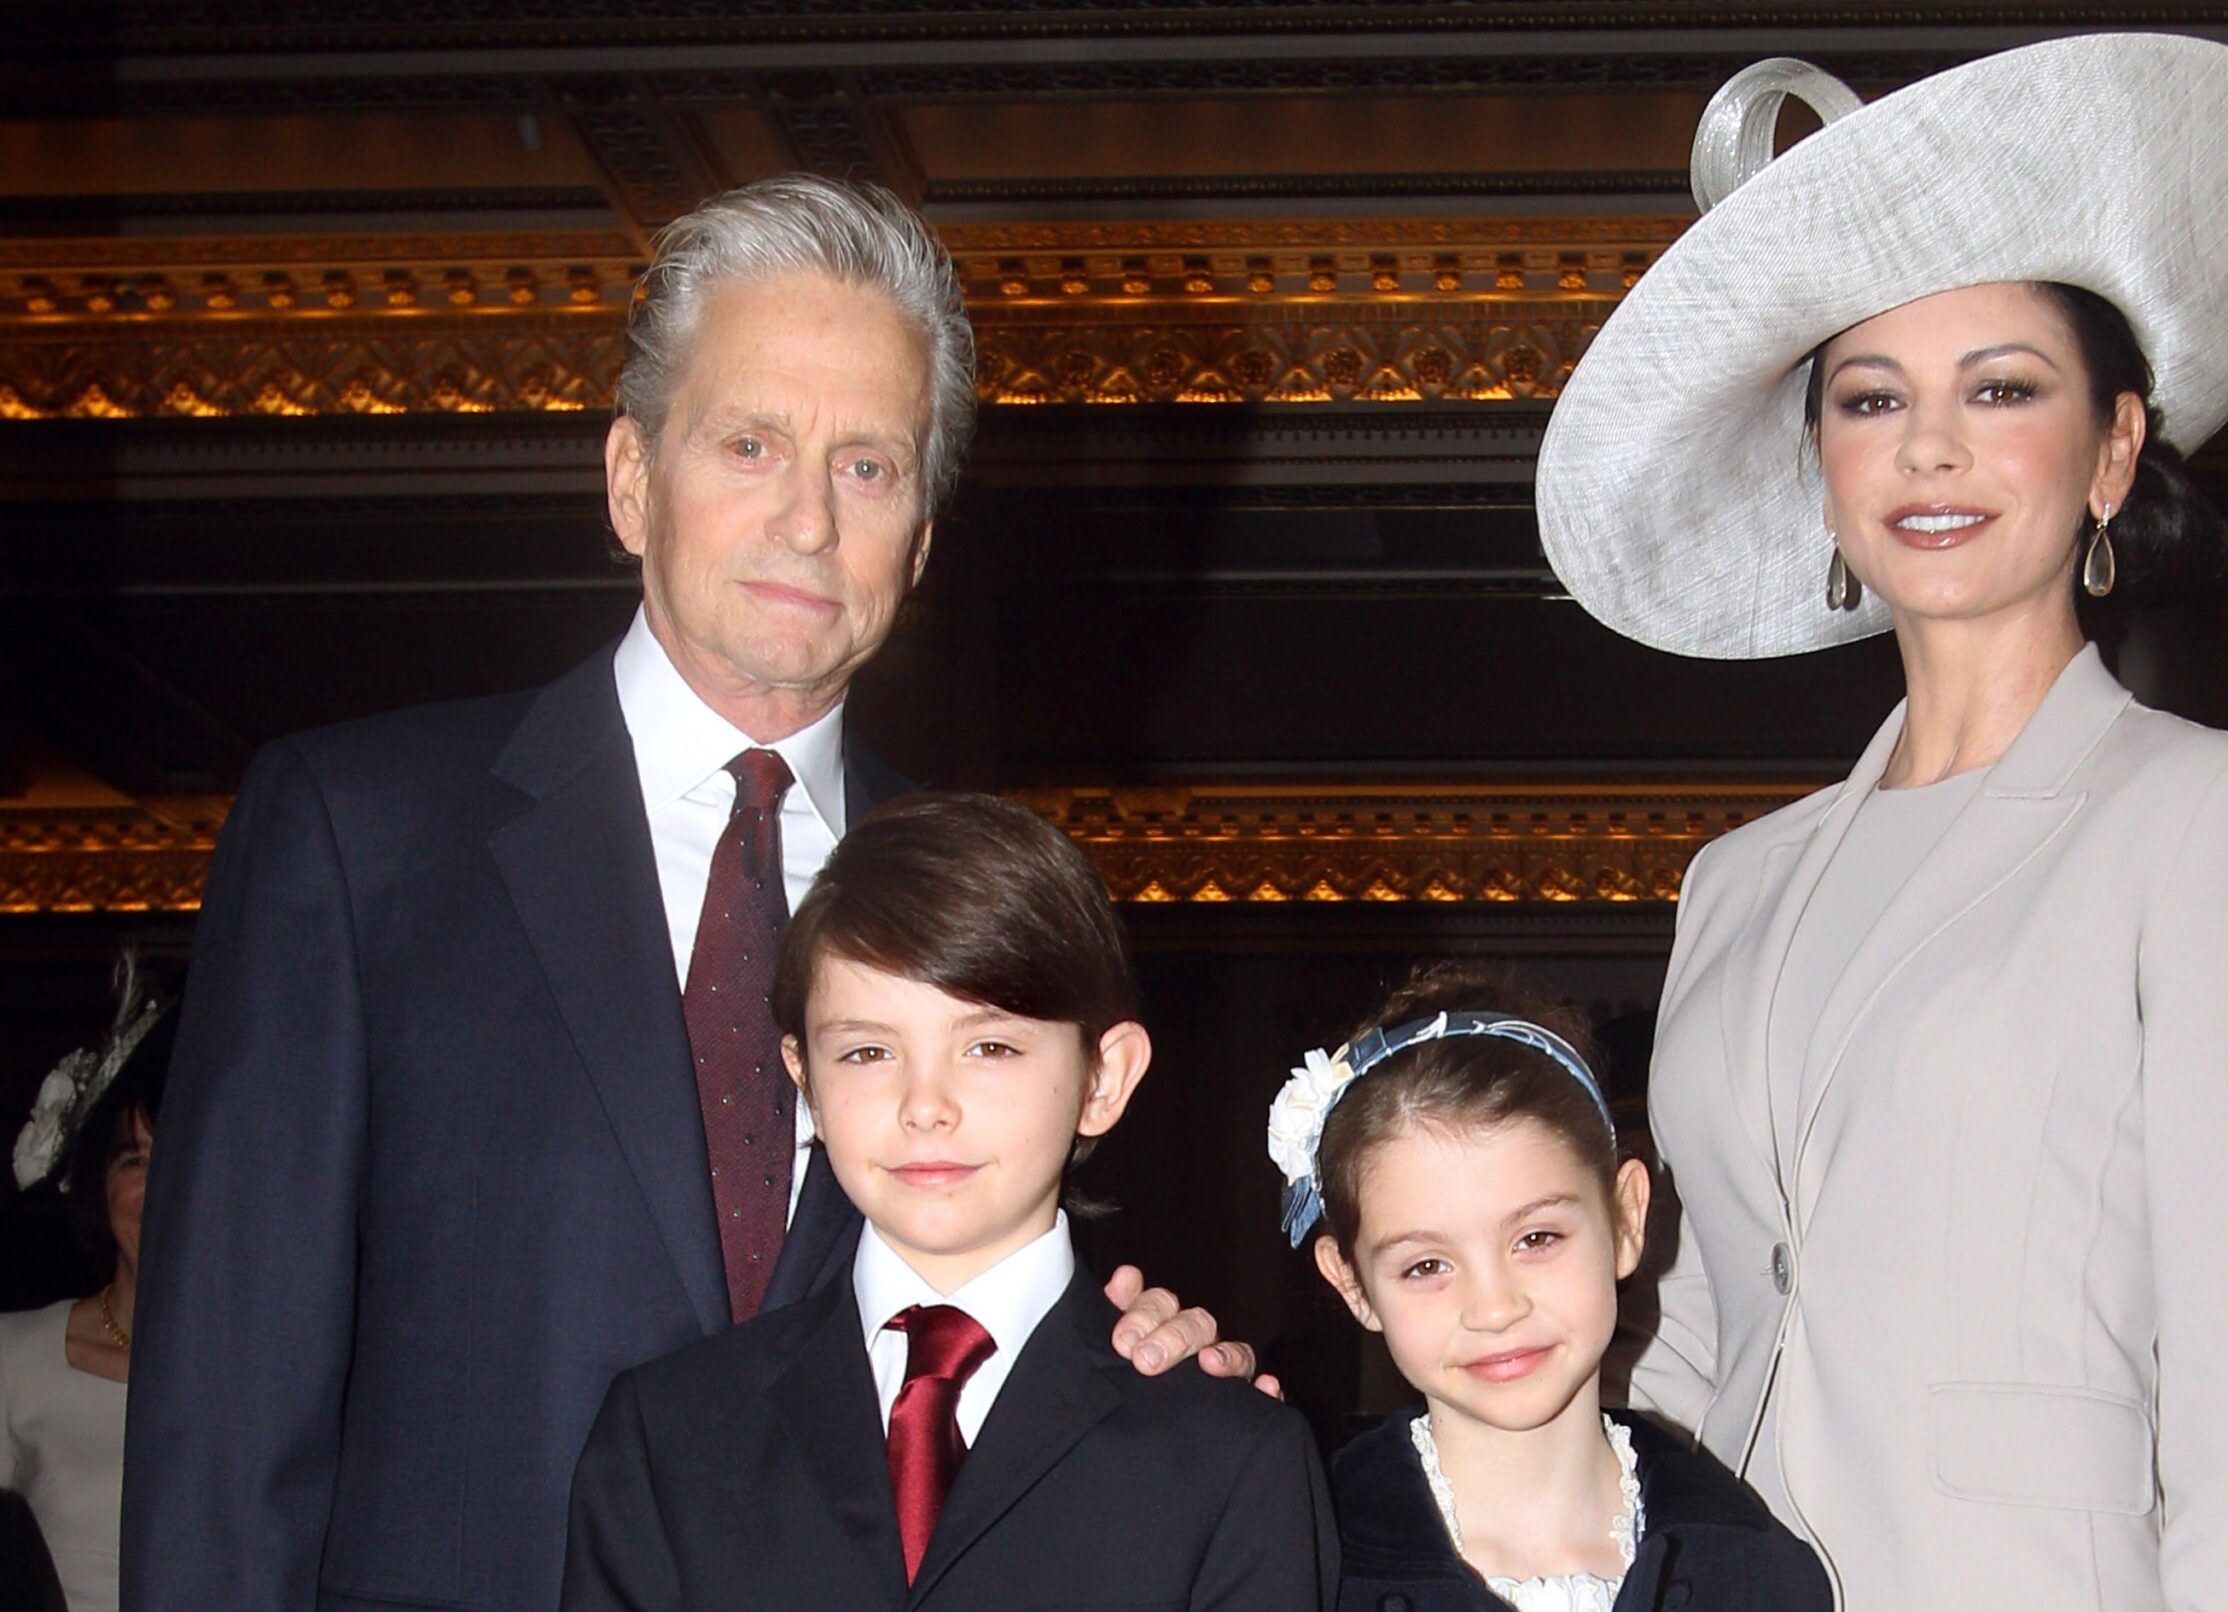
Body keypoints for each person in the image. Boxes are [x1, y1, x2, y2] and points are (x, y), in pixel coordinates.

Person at [124, 175, 1246, 1612]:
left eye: (869, 466)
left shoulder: (990, 907)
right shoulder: (358, 838)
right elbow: (226, 1413)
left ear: (921, 536)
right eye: (751, 442)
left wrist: (1132, 1360)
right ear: (632, 479)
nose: (807, 519)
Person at [1533, 36, 2228, 1611]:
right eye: (1869, 398)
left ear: (2113, 450)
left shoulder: (2217, 820)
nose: (1930, 447)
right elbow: (1698, 1323)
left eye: (2001, 388)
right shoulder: (1738, 882)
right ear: (1825, 463)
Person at [562, 793, 1335, 1609]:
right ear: (805, 1085)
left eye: (989, 1046)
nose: (924, 1104)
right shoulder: (670, 1434)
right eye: (867, 1051)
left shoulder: (1229, 1456)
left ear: (1103, 1078)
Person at [1277, 964, 1829, 1612]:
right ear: (1353, 1285)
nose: (1494, 1307)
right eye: (1427, 1266)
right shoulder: (1305, 1562)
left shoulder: (1755, 1567)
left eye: (1536, 1239)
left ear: (1626, 1218)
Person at [4, 956, 173, 1612]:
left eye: (182, 1161)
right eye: (136, 1161)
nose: (162, 1192)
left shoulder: (284, 1374)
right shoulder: (14, 1359)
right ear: (100, 1191)